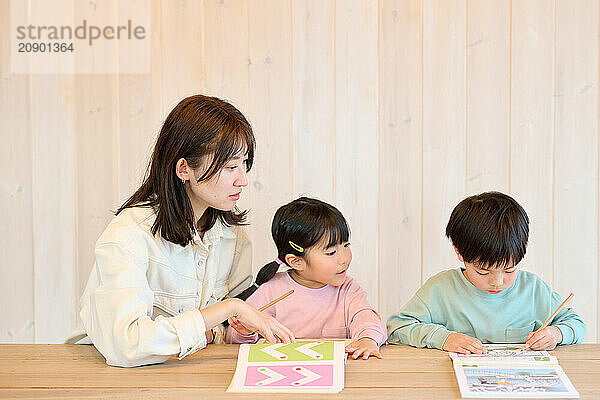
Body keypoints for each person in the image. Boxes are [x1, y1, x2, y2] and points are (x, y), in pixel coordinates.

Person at [68, 95, 294, 367]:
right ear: (184, 168)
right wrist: (229, 309)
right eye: (230, 167)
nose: (242, 180)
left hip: (189, 373)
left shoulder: (233, 238)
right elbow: (126, 345)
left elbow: (222, 329)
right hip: (104, 377)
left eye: (244, 164)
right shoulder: (129, 235)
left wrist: (233, 328)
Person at [387, 191, 585, 354]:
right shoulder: (441, 289)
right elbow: (397, 327)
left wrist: (556, 334)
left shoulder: (532, 289)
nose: (497, 282)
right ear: (459, 252)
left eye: (509, 269)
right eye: (483, 272)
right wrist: (444, 338)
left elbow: (576, 324)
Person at [226, 197, 386, 360]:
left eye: (346, 245)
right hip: (285, 376)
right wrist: (246, 332)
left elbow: (365, 316)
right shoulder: (271, 290)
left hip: (338, 374)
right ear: (296, 261)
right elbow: (235, 341)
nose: (344, 258)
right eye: (331, 252)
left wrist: (367, 339)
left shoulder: (348, 289)